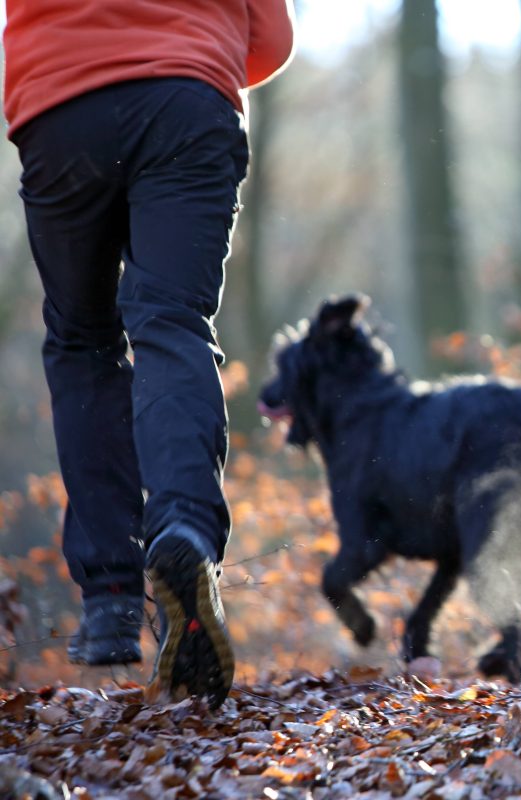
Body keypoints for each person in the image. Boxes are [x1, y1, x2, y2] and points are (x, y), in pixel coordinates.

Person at [2, 0, 295, 710]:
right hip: (186, 99)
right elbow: (272, 40)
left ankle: (108, 596)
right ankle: (184, 530)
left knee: (82, 342)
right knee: (171, 325)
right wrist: (191, 55)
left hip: (58, 104)